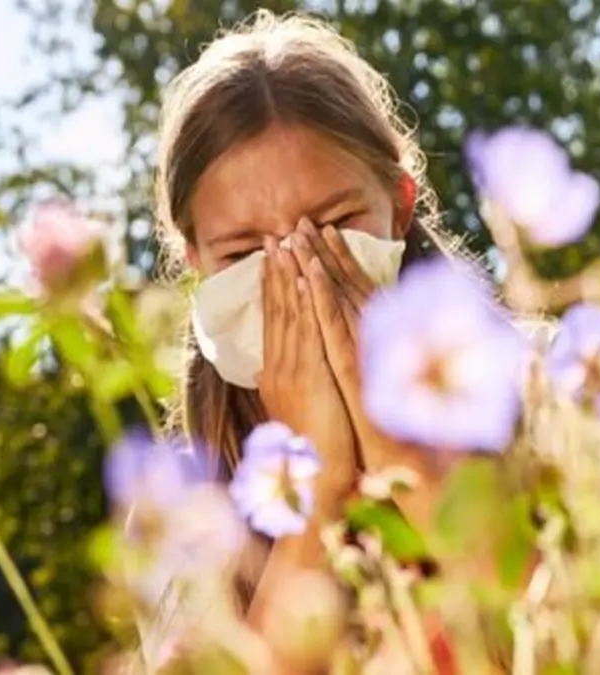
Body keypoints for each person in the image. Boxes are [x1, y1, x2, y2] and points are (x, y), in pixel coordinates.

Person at [141, 8, 486, 671]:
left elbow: (571, 637)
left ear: (401, 200)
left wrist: (397, 451)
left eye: (333, 221)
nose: (298, 268)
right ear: (196, 262)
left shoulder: (534, 386)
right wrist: (316, 481)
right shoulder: (182, 510)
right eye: (245, 251)